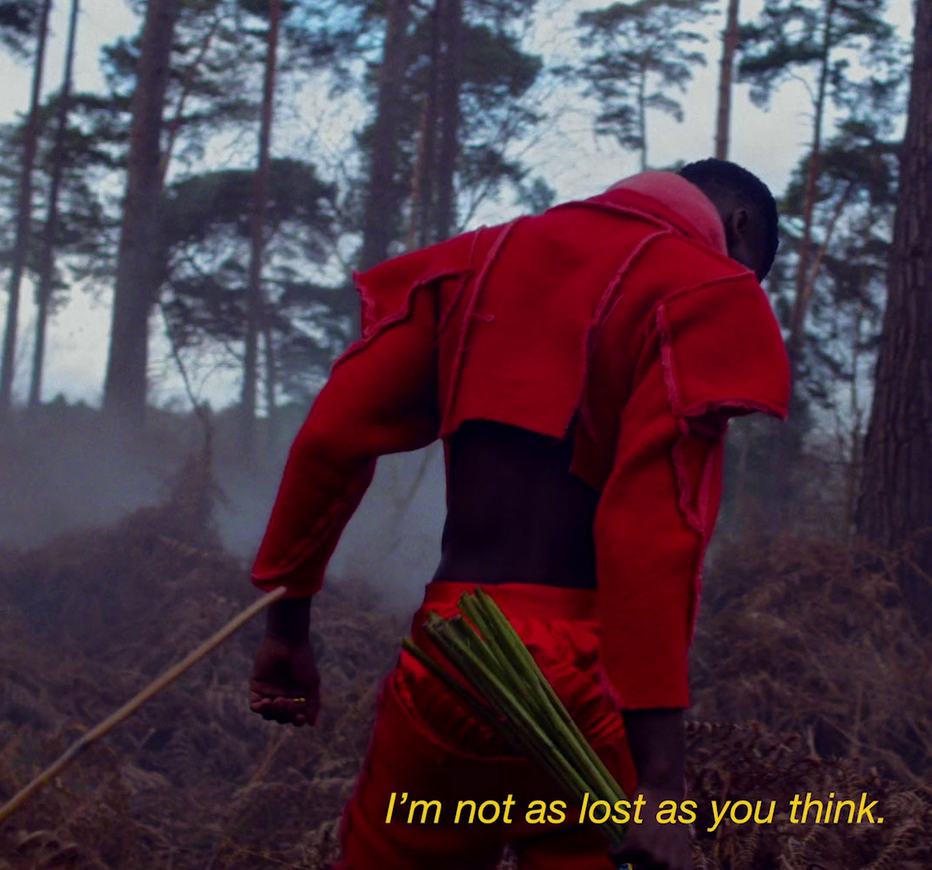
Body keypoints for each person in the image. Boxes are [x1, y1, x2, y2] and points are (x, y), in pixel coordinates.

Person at [246, 159, 790, 870]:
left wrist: (286, 630)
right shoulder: (703, 287)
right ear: (739, 226)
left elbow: (328, 441)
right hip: (584, 682)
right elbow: (652, 531)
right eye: (750, 268)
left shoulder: (478, 259)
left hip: (450, 650)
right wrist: (660, 785)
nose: (742, 281)